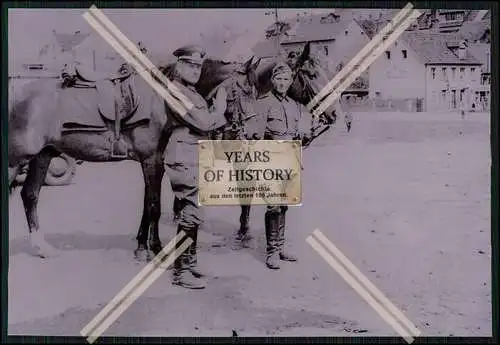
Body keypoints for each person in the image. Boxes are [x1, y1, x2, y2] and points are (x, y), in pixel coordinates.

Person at [164, 45, 228, 289]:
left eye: (198, 67)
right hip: (184, 153)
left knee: (194, 210)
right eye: (190, 65)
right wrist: (220, 109)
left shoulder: (191, 92)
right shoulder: (176, 91)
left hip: (194, 152)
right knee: (190, 211)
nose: (195, 71)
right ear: (178, 66)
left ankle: (189, 262)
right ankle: (181, 272)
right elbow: (203, 122)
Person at [246, 61, 311, 270]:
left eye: (286, 79)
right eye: (279, 79)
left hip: (290, 159)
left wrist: (304, 136)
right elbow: (255, 135)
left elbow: (299, 136)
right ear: (273, 81)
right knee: (273, 205)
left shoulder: (295, 106)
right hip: (271, 161)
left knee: (284, 204)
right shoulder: (263, 103)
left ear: (291, 82)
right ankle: (272, 251)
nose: (282, 83)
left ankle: (281, 247)